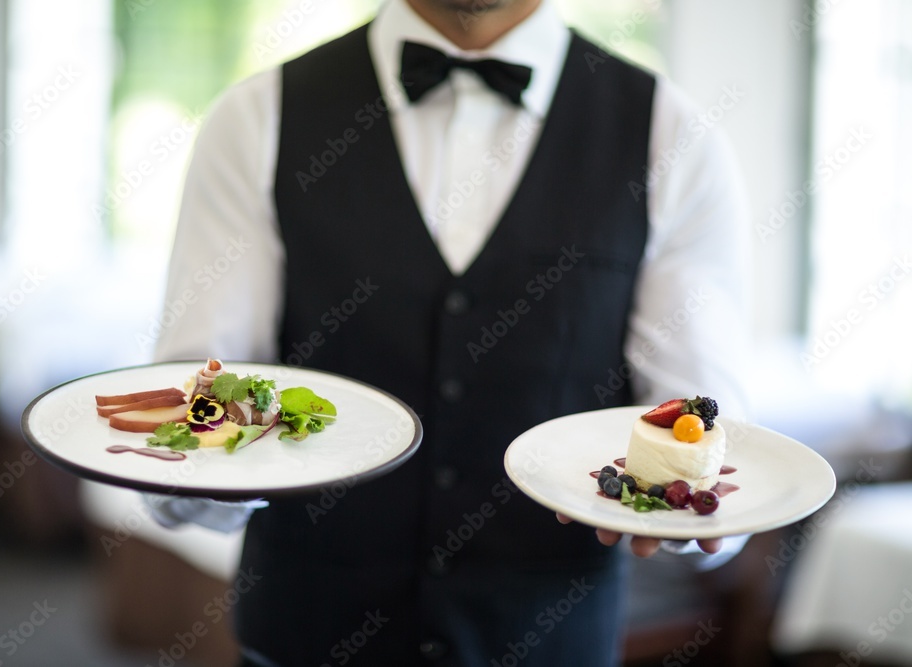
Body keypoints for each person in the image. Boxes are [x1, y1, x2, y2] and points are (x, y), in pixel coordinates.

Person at [152, 0, 752, 664]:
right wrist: (195, 469)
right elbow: (200, 393)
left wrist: (680, 511)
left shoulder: (675, 138)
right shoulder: (256, 118)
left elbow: (701, 426)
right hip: (307, 635)